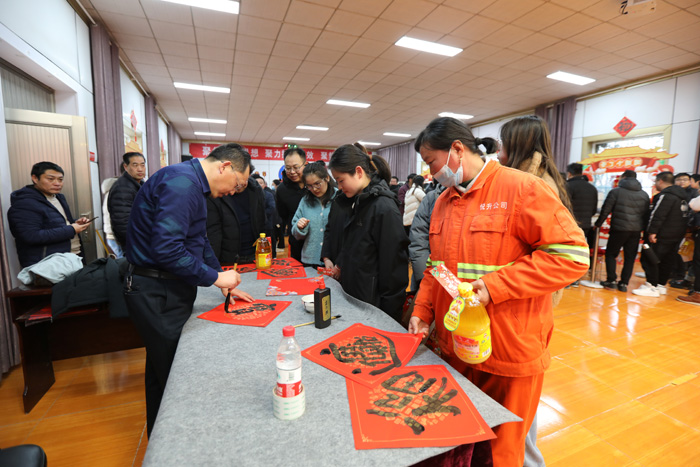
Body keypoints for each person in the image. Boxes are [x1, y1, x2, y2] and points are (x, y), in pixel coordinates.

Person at [408, 117, 589, 467]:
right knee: (462, 446)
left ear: (457, 149)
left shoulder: (522, 188)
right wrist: (421, 312)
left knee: (500, 454)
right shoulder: (443, 202)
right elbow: (436, 269)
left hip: (509, 349)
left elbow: (572, 256)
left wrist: (495, 286)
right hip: (459, 348)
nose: (431, 172)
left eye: (432, 162)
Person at [124, 143, 250, 438]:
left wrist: (221, 278)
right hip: (157, 290)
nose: (233, 192)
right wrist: (214, 278)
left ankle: (161, 440)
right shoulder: (182, 185)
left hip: (166, 286)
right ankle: (177, 444)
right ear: (225, 167)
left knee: (162, 374)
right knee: (174, 377)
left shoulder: (192, 183)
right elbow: (168, 249)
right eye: (237, 184)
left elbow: (197, 239)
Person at [322, 144, 409, 322]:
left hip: (374, 305)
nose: (339, 187)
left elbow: (394, 268)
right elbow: (353, 245)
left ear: (359, 172)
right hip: (356, 296)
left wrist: (389, 316)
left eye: (341, 180)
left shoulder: (383, 207)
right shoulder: (356, 202)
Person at [8, 161, 92, 268]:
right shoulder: (25, 203)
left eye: (60, 179)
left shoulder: (58, 197)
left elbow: (55, 223)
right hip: (48, 266)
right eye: (51, 179)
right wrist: (71, 229)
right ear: (35, 178)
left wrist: (75, 223)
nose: (57, 183)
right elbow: (31, 236)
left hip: (73, 258)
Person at [633, 171, 689, 297]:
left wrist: (652, 231)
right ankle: (660, 285)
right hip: (677, 234)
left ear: (661, 181)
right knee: (667, 260)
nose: (655, 184)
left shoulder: (666, 195)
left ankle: (651, 286)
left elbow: (657, 214)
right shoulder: (682, 196)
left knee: (650, 258)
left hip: (662, 234)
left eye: (655, 181)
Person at [594, 170, 649, 292]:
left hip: (619, 229)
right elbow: (646, 215)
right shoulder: (644, 194)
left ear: (623, 177)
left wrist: (598, 224)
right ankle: (624, 284)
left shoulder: (616, 192)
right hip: (635, 231)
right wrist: (644, 232)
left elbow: (606, 209)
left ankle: (611, 281)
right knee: (630, 257)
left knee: (611, 254)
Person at [207, 161, 269, 265]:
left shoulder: (255, 189)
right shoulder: (216, 193)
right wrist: (214, 265)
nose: (241, 184)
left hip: (254, 255)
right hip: (228, 259)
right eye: (237, 179)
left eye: (246, 178)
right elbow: (213, 233)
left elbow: (263, 222)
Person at [291, 162, 338, 268]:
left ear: (327, 178)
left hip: (333, 260)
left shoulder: (339, 197)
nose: (314, 189)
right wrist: (299, 227)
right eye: (309, 186)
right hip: (310, 259)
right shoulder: (305, 201)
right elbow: (295, 231)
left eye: (317, 184)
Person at [108, 152, 146, 250]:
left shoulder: (140, 184)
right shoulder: (122, 188)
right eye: (135, 165)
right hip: (134, 243)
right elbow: (122, 222)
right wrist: (139, 243)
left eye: (142, 165)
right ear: (125, 167)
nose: (140, 169)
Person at [275, 148, 308, 261]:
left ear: (305, 164)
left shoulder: (314, 183)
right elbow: (283, 215)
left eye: (296, 167)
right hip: (296, 239)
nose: (292, 172)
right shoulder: (282, 189)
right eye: (288, 168)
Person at [566, 163, 599, 248]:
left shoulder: (567, 186)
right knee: (580, 248)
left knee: (568, 249)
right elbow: (594, 210)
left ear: (569, 174)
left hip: (569, 225)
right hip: (586, 226)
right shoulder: (592, 188)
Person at [252, 173, 278, 256]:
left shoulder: (268, 195)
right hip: (254, 226)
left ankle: (273, 256)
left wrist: (259, 215)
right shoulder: (251, 196)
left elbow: (271, 208)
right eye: (257, 183)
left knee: (269, 243)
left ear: (264, 184)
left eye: (261, 183)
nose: (259, 185)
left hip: (267, 224)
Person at [101, 177, 121, 257]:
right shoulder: (117, 194)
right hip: (116, 235)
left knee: (122, 259)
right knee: (124, 260)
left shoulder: (109, 194)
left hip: (111, 235)